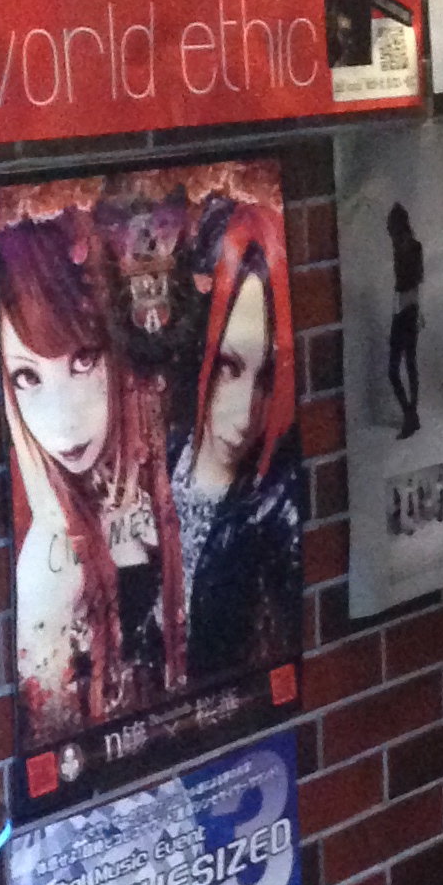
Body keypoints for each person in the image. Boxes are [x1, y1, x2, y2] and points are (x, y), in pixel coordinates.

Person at [0, 212, 183, 737]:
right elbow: (53, 739)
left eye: (82, 361)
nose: (62, 420)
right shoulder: (49, 567)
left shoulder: (154, 470)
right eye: (26, 377)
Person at [170, 194, 302, 685]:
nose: (246, 414)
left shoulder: (279, 513)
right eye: (228, 366)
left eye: (268, 377)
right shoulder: (155, 465)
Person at [385, 202, 423, 437]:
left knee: (396, 368)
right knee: (410, 364)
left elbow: (404, 288)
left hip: (403, 311)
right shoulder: (414, 247)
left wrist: (398, 312)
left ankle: (410, 415)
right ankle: (412, 413)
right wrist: (419, 311)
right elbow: (416, 285)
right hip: (410, 310)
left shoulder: (401, 248)